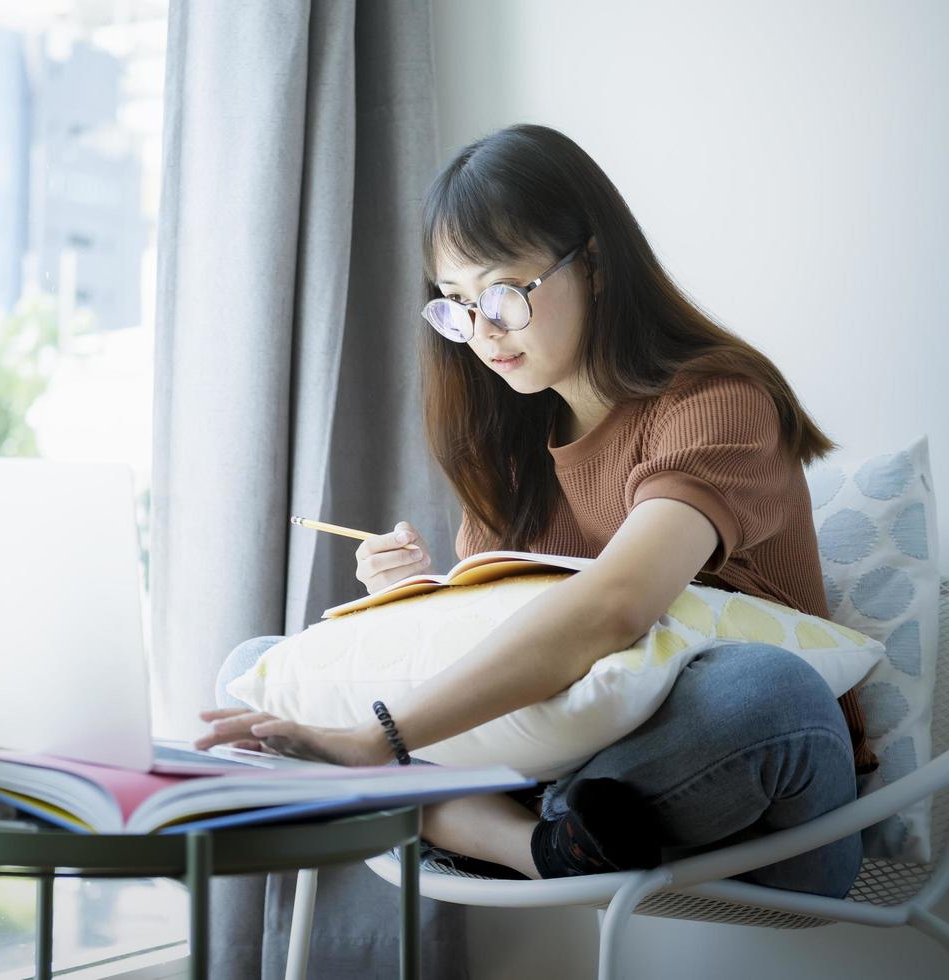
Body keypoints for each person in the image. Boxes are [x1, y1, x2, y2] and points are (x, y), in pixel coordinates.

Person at [193, 123, 869, 898]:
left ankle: (468, 817)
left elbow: (615, 607)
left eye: (503, 294)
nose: (480, 334)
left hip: (757, 793)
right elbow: (504, 628)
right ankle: (540, 845)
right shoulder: (514, 449)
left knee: (762, 689)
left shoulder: (719, 403)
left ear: (599, 266)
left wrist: (378, 737)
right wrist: (409, 607)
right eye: (455, 305)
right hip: (566, 793)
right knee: (253, 674)